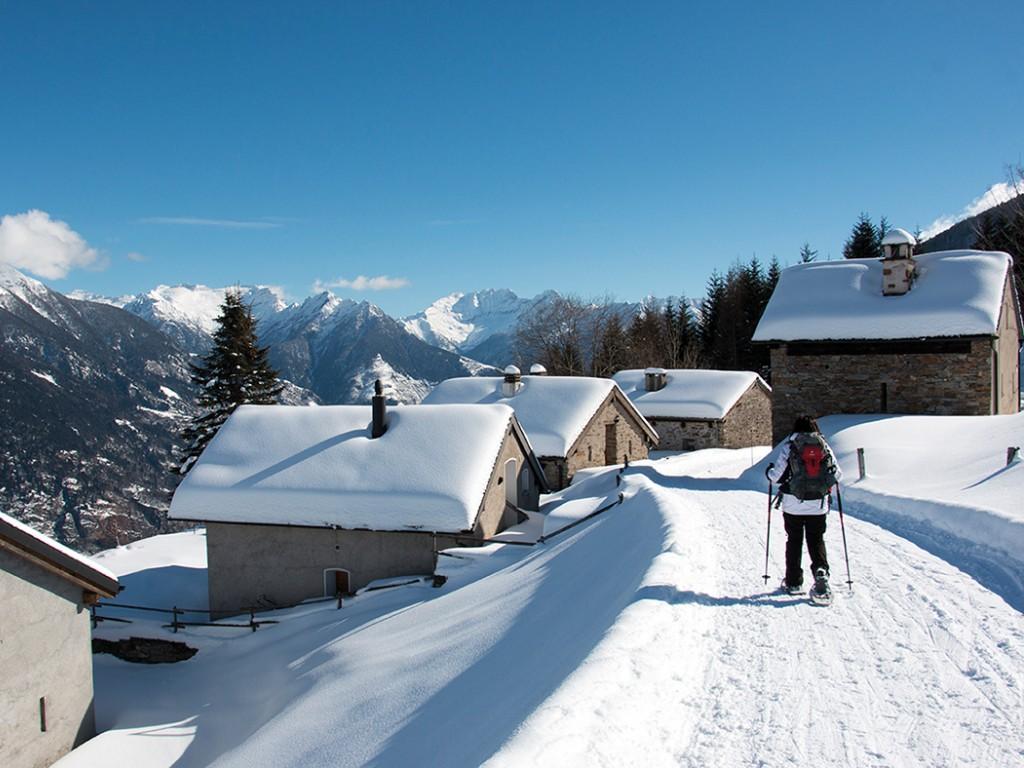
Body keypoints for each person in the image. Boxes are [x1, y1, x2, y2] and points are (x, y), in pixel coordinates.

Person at [765, 415, 842, 597]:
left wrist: (768, 472)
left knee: (794, 541)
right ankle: (821, 572)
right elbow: (837, 474)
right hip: (818, 504)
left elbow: (776, 476)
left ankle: (793, 583)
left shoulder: (790, 446)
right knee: (816, 540)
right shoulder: (823, 445)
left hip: (793, 504)